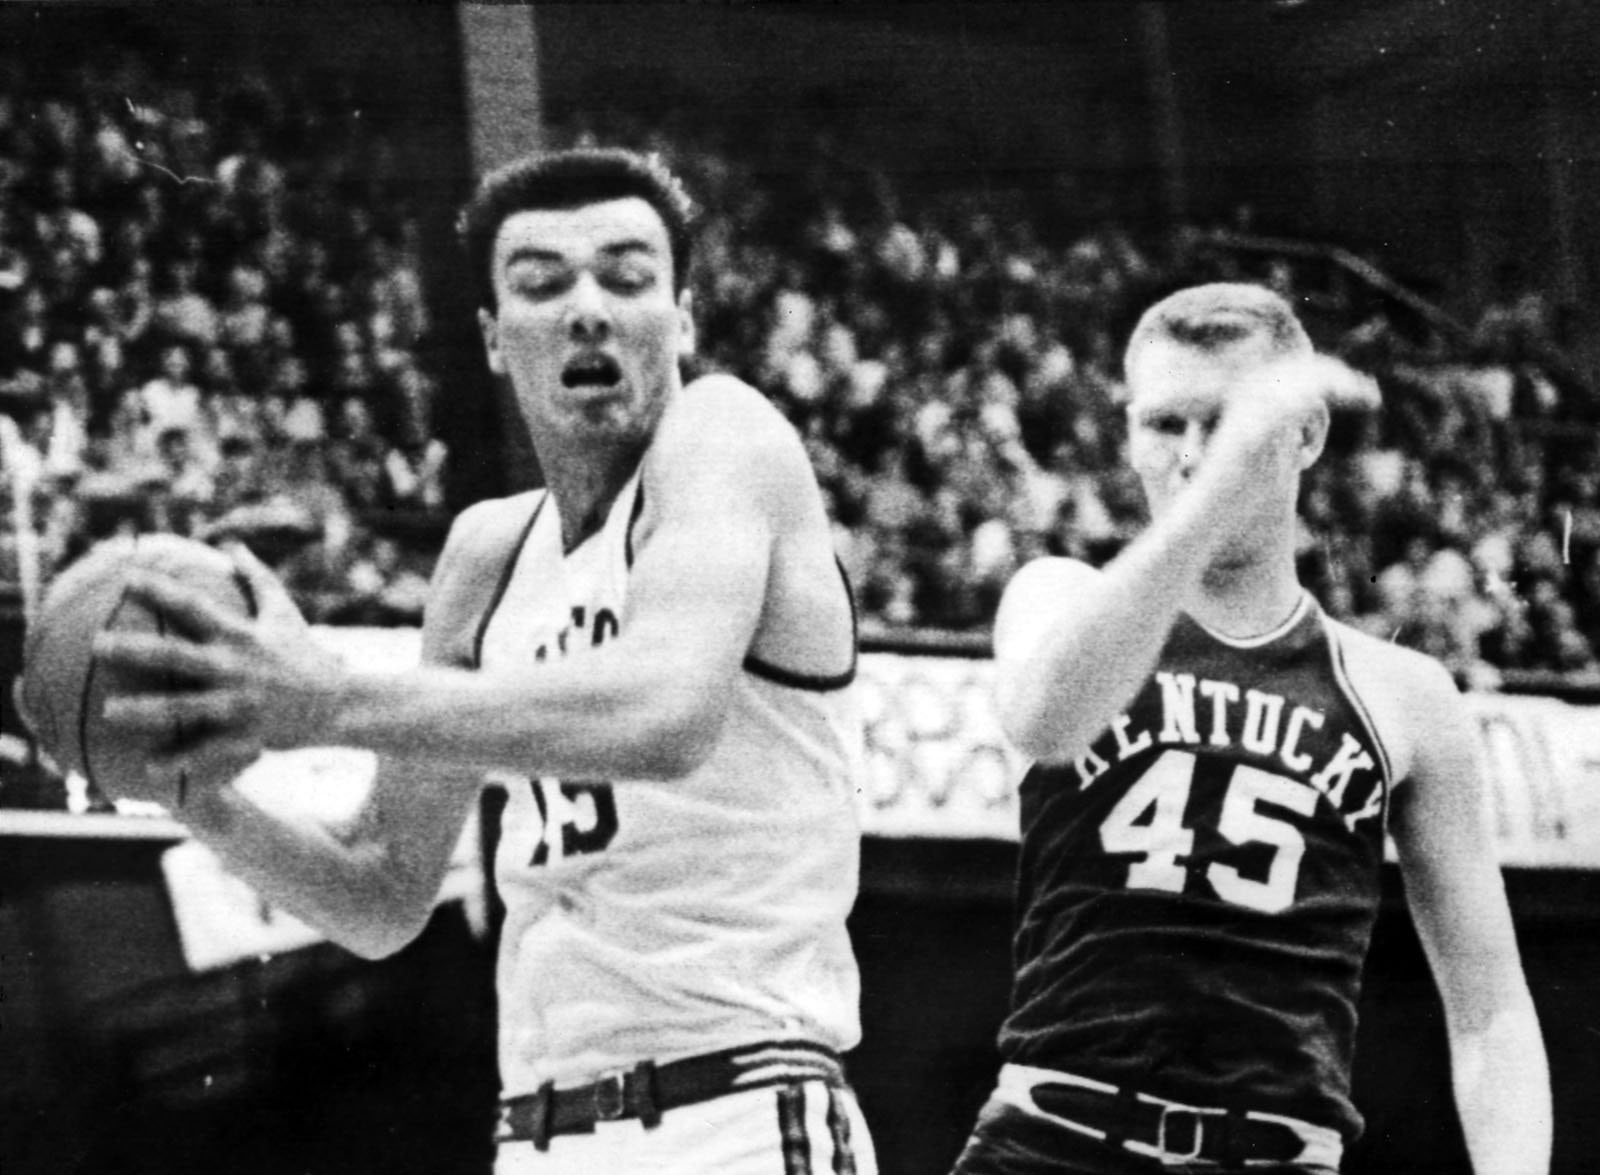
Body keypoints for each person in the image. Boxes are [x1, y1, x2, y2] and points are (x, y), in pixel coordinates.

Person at [96, 147, 876, 1175]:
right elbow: (381, 892)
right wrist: (198, 797)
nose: (588, 308)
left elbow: (663, 712)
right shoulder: (485, 556)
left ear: (682, 319)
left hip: (733, 1106)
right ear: (495, 340)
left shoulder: (725, 437)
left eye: (628, 277)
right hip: (537, 1129)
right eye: (543, 284)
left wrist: (329, 698)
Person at [954, 284, 1549, 1175]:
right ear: (1127, 434)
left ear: (1306, 434)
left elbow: (1491, 1008)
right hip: (1054, 1139)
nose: (1195, 455)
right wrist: (1227, 471)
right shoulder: (1058, 596)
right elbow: (1045, 720)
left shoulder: (1404, 693)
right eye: (1164, 425)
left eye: (1226, 420)